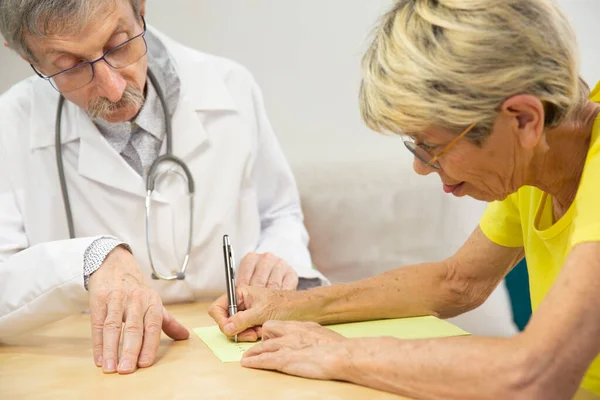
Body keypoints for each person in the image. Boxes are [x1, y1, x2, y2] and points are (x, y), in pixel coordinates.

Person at [209, 0, 600, 398]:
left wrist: (345, 356)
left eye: (432, 146)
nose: (422, 167)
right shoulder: (538, 159)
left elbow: (534, 375)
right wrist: (292, 304)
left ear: (523, 119)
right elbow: (458, 281)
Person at [0, 0, 327, 375]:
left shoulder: (229, 86)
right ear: (30, 59)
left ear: (139, 8)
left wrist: (279, 261)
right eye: (70, 67)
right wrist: (88, 261)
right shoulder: (10, 123)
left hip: (237, 354)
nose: (112, 87)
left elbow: (279, 214)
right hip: (100, 367)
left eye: (119, 44)